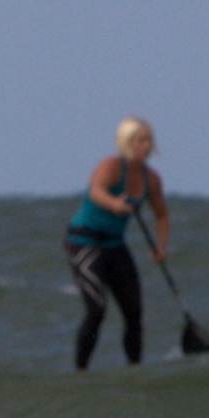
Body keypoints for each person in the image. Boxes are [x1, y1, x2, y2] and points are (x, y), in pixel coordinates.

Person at [63, 116, 167, 370]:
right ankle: (80, 372)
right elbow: (96, 191)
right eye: (140, 140)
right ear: (126, 142)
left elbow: (162, 215)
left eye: (149, 140)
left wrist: (161, 248)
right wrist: (114, 204)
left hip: (114, 244)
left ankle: (135, 370)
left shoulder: (151, 179)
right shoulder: (111, 166)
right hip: (84, 241)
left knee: (134, 312)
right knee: (97, 309)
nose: (146, 145)